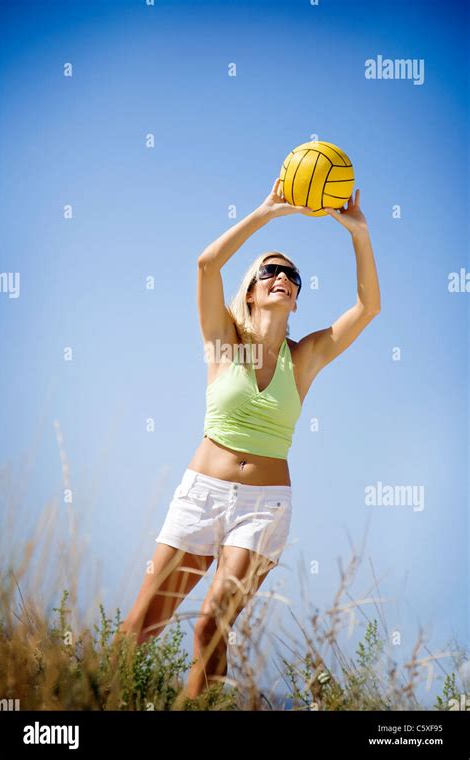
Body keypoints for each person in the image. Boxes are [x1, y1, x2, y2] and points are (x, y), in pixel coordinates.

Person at [119, 178, 381, 701]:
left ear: (297, 299)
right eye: (271, 270)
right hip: (201, 496)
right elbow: (205, 265)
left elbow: (368, 308)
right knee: (141, 626)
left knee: (211, 628)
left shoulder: (303, 357)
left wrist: (359, 233)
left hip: (265, 508)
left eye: (293, 275)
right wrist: (267, 212)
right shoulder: (224, 343)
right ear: (254, 288)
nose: (283, 277)